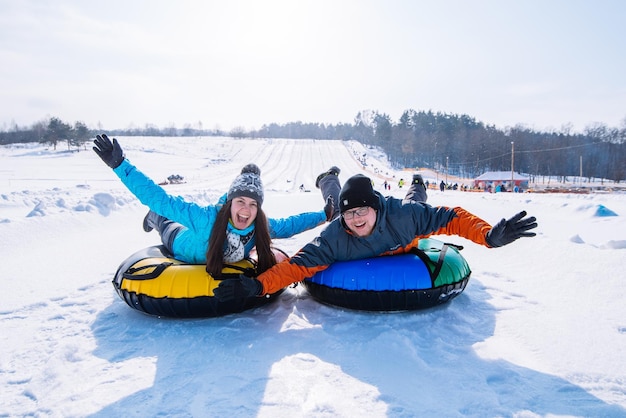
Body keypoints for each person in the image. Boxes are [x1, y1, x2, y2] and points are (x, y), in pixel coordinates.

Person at [213, 169, 534, 302]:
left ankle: (418, 182)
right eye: (351, 214)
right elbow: (297, 266)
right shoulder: (337, 234)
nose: (356, 220)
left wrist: (488, 236)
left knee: (416, 202)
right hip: (352, 220)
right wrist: (257, 286)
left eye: (362, 212)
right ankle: (328, 180)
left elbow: (452, 218)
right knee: (335, 208)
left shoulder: (402, 217)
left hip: (405, 228)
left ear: (376, 207)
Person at [92, 134, 333, 277]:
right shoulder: (207, 218)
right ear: (230, 203)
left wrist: (323, 214)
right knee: (164, 216)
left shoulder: (260, 225)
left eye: (252, 204)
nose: (246, 210)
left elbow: (291, 225)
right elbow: (160, 198)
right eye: (240, 202)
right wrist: (120, 165)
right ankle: (155, 218)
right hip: (180, 242)